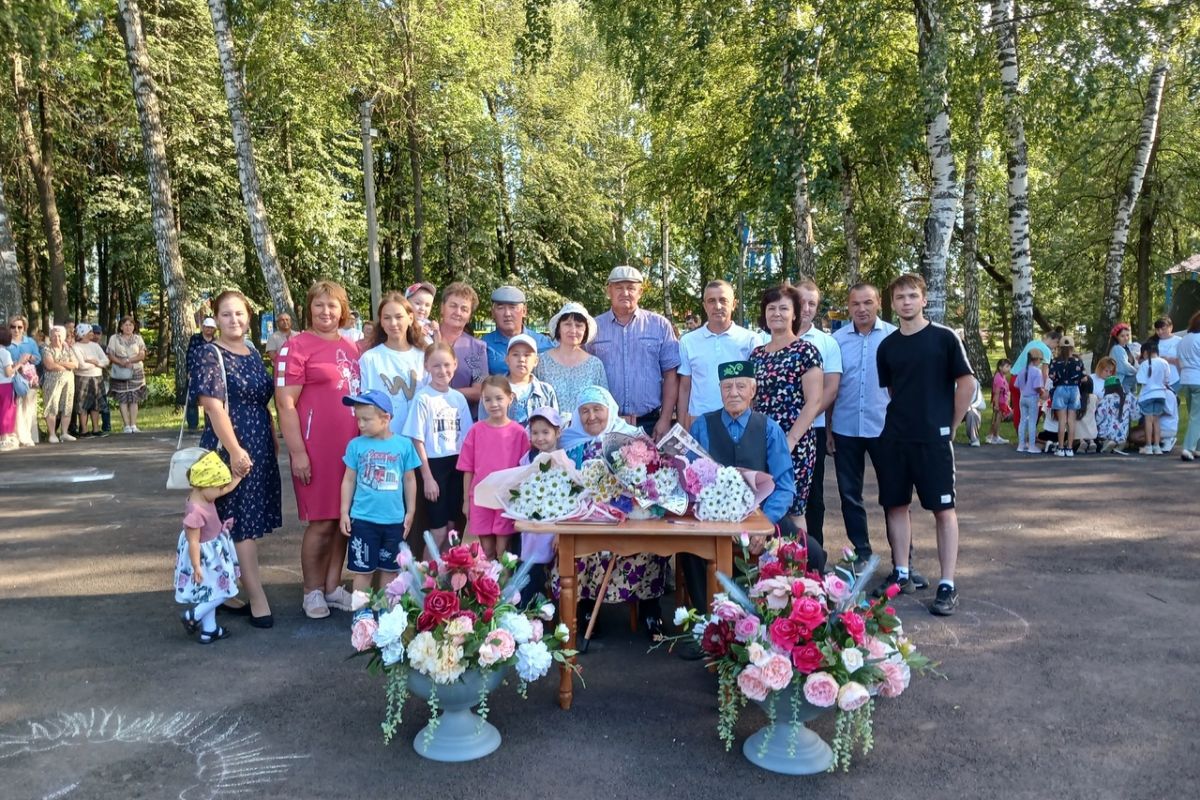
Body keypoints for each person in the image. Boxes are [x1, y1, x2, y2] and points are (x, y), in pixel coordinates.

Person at [686, 361, 811, 647]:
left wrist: (762, 526)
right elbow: (690, 478)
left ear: (753, 390)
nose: (733, 393)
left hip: (762, 516)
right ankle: (703, 630)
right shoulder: (702, 426)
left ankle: (785, 626)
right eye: (727, 387)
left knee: (810, 551)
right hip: (713, 518)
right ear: (719, 390)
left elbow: (785, 486)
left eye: (741, 386)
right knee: (689, 551)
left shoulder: (769, 429)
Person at [875, 274, 975, 616]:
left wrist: (952, 424)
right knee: (896, 505)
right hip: (895, 438)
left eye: (912, 295)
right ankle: (901, 573)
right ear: (893, 303)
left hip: (933, 440)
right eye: (900, 296)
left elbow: (967, 383)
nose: (906, 301)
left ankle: (947, 583)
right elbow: (893, 391)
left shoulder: (944, 338)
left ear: (924, 299)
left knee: (942, 510)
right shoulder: (887, 346)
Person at [190, 289, 282, 627]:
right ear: (217, 318)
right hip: (230, 443)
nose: (234, 320)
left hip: (258, 440)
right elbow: (213, 406)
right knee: (239, 523)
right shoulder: (209, 353)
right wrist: (234, 449)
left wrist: (271, 439)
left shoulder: (253, 352)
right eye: (227, 314)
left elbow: (263, 401)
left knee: (240, 523)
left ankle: (225, 590)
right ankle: (257, 598)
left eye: (240, 314)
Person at [276, 280, 362, 620]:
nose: (326, 312)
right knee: (322, 522)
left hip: (350, 448)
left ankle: (332, 586)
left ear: (343, 310)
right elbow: (285, 404)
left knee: (344, 520)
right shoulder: (295, 347)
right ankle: (311, 590)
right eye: (319, 305)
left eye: (333, 305)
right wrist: (298, 452)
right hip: (316, 448)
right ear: (308, 308)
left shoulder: (352, 347)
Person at [558, 385, 670, 639]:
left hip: (629, 515)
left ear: (610, 409)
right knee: (581, 549)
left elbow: (650, 480)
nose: (591, 416)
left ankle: (650, 611)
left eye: (597, 409)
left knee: (649, 545)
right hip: (586, 516)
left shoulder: (630, 437)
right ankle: (586, 610)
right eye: (584, 411)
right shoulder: (567, 441)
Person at [827, 283, 915, 575]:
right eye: (855, 304)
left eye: (868, 302)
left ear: (879, 303)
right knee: (850, 496)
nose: (862, 309)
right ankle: (861, 554)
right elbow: (831, 388)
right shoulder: (836, 341)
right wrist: (828, 429)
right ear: (848, 306)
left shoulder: (895, 336)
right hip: (845, 427)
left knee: (895, 497)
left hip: (886, 430)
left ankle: (903, 563)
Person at [748, 283, 823, 531]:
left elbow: (814, 401)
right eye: (771, 308)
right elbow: (752, 400)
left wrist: (790, 440)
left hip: (795, 441)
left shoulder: (806, 351)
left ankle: (796, 566)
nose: (776, 313)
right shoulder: (757, 355)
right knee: (760, 504)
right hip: (761, 440)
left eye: (783, 308)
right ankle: (762, 567)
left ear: (795, 313)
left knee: (794, 506)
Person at [339, 390, 420, 619]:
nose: (360, 424)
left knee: (389, 570)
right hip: (363, 520)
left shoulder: (403, 445)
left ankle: (386, 614)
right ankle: (361, 615)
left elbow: (409, 479)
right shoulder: (356, 445)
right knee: (362, 571)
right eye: (358, 419)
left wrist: (411, 510)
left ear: (386, 418)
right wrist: (344, 512)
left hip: (394, 520)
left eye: (366, 419)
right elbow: (349, 479)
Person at [587, 266, 680, 439]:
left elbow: (671, 375)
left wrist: (666, 419)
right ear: (609, 290)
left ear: (640, 292)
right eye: (619, 287)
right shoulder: (593, 328)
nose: (625, 293)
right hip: (605, 425)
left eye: (631, 288)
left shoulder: (659, 325)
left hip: (651, 423)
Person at [404, 342, 473, 549]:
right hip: (434, 466)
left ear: (455, 364)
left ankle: (445, 579)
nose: (442, 371)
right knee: (439, 531)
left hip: (457, 465)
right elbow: (417, 439)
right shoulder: (423, 398)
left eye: (446, 365)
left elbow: (467, 437)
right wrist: (427, 478)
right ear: (426, 366)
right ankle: (424, 580)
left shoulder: (458, 398)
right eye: (436, 366)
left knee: (452, 529)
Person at [792, 280, 842, 546]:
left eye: (812, 303)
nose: (807, 308)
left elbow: (831, 390)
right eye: (801, 302)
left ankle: (814, 556)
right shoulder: (765, 339)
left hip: (814, 429)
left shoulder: (826, 343)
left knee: (812, 496)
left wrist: (800, 419)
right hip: (774, 429)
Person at [174, 451, 243, 645]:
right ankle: (193, 615)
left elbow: (225, 489)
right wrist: (196, 566)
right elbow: (193, 542)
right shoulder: (195, 512)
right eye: (218, 486)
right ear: (204, 484)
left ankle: (209, 630)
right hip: (205, 558)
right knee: (224, 591)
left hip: (212, 551)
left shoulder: (203, 495)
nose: (221, 490)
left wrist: (237, 478)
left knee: (211, 591)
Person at [457, 375, 530, 559]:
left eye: (499, 398)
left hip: (506, 498)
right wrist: (466, 501)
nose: (494, 404)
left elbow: (525, 470)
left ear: (510, 398)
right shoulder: (476, 430)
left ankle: (506, 587)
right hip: (480, 498)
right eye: (488, 399)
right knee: (487, 551)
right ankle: (489, 587)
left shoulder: (519, 432)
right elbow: (468, 469)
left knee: (503, 551)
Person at [677, 280, 763, 431]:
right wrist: (682, 424)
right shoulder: (688, 341)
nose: (717, 306)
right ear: (704, 306)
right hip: (700, 422)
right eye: (711, 301)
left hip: (739, 422)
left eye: (723, 300)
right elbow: (685, 388)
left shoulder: (750, 340)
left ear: (734, 304)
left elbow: (756, 387)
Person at [359, 292, 427, 434]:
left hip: (418, 441)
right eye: (387, 318)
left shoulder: (424, 358)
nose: (393, 323)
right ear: (381, 322)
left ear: (410, 318)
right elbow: (364, 406)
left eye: (398, 317)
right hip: (382, 444)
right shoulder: (370, 359)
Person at [518, 406, 563, 604]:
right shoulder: (527, 459)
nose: (540, 438)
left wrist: (560, 531)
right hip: (532, 526)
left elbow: (568, 501)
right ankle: (526, 612)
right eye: (535, 432)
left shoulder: (563, 461)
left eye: (546, 432)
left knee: (551, 569)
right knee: (529, 568)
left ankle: (548, 610)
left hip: (553, 527)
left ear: (557, 432)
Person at [534, 301, 608, 421]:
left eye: (579, 325)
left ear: (585, 330)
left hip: (586, 434)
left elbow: (603, 404)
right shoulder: (541, 362)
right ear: (559, 328)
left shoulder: (595, 365)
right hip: (548, 434)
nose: (573, 330)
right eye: (567, 324)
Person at [438, 282, 489, 414]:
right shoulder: (424, 338)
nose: (458, 312)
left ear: (469, 316)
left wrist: (445, 393)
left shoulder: (477, 348)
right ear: (442, 308)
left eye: (464, 309)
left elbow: (479, 391)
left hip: (464, 419)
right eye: (453, 306)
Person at [481, 285, 553, 376]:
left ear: (524, 311)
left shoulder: (543, 343)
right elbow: (479, 381)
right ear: (493, 313)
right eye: (500, 308)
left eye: (512, 307)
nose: (507, 314)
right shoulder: (483, 345)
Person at [485, 334, 558, 423]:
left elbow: (554, 425)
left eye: (527, 355)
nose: (521, 359)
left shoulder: (546, 391)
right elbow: (484, 427)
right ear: (507, 359)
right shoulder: (492, 389)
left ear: (535, 361)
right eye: (515, 355)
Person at [1009, 326, 1062, 430]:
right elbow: (1044, 372)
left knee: (1018, 410)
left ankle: (1021, 439)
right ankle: (1029, 436)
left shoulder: (1032, 343)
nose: (1055, 348)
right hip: (1028, 383)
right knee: (1037, 408)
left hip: (1014, 379)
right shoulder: (1046, 351)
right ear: (1054, 340)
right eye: (1056, 345)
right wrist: (1044, 390)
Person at [106, 316, 148, 433]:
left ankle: (133, 424)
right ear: (121, 327)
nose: (128, 327)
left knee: (134, 398)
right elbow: (111, 355)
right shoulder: (114, 338)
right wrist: (121, 362)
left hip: (136, 371)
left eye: (130, 325)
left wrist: (129, 361)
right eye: (126, 325)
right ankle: (126, 425)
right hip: (120, 372)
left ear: (134, 326)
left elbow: (141, 355)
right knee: (123, 398)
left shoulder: (138, 338)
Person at [6, 315, 41, 446]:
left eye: (19, 327)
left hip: (29, 379)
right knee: (16, 408)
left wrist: (31, 357)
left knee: (29, 408)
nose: (16, 330)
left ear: (24, 328)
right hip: (12, 378)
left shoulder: (30, 342)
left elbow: (38, 359)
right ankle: (17, 436)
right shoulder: (6, 342)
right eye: (13, 327)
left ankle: (28, 435)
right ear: (9, 328)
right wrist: (15, 363)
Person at [1048, 335, 1084, 457]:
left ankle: (1061, 447)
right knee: (1071, 421)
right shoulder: (1078, 361)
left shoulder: (1055, 361)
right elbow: (1083, 377)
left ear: (1060, 347)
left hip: (1060, 389)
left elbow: (1051, 376)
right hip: (1074, 390)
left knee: (1062, 420)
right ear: (1072, 347)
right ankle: (1070, 448)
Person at [71, 323, 110, 437]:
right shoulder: (76, 347)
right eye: (90, 332)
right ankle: (84, 430)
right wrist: (96, 364)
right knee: (82, 404)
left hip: (97, 377)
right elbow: (81, 365)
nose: (92, 334)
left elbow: (106, 361)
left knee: (96, 404)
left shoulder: (95, 346)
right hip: (83, 378)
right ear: (83, 334)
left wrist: (95, 362)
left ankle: (96, 429)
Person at [40, 326, 77, 442]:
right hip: (52, 382)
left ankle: (64, 433)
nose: (57, 338)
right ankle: (52, 434)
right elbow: (50, 365)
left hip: (69, 381)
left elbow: (75, 364)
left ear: (64, 337)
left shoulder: (68, 349)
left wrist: (60, 363)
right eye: (54, 335)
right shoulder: (46, 349)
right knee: (52, 406)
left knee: (67, 405)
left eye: (60, 335)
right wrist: (67, 365)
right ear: (50, 337)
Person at [1136, 338, 1170, 455]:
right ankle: (1157, 446)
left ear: (1145, 353)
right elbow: (1167, 380)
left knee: (1148, 420)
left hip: (1148, 395)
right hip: (1161, 394)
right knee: (1156, 421)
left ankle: (1148, 446)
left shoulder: (1145, 364)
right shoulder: (1164, 362)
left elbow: (1141, 380)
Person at [185, 318, 218, 433]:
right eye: (207, 327)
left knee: (210, 398)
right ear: (203, 327)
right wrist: (189, 370)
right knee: (192, 399)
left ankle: (209, 425)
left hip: (211, 374)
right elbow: (189, 355)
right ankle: (192, 425)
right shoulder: (195, 339)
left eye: (211, 328)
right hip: (196, 372)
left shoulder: (216, 341)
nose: (209, 330)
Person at [1014, 349, 1047, 453]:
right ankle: (1031, 446)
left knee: (1022, 421)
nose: (1040, 362)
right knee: (1032, 422)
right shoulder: (1037, 371)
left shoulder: (1022, 370)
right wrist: (1043, 393)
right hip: (1032, 398)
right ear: (1036, 359)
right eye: (1040, 360)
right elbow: (1037, 387)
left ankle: (1021, 445)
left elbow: (1016, 385)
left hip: (1022, 397)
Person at [1178, 311, 1200, 461]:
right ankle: (1188, 447)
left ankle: (1197, 448)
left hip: (1185, 379)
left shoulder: (1184, 339)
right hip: (1198, 378)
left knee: (1194, 414)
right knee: (1196, 417)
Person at [1097, 376, 1134, 453]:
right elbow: (1136, 415)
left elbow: (1099, 417)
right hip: (1123, 433)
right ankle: (1121, 443)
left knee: (1101, 428)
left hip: (1107, 432)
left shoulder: (1107, 398)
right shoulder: (1129, 397)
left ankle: (1107, 442)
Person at [1152, 316, 1182, 392]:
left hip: (1175, 378)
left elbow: (1183, 359)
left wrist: (1168, 360)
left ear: (1170, 327)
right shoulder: (1153, 342)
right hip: (1157, 379)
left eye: (1163, 329)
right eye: (1157, 329)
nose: (1160, 332)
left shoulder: (1179, 341)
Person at [1106, 323, 1138, 393]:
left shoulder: (1126, 348)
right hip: (1122, 381)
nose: (1126, 338)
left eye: (1127, 335)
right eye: (1122, 336)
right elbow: (1124, 367)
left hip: (1129, 382)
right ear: (1117, 337)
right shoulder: (1117, 349)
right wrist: (1137, 371)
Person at [987, 359, 1012, 444]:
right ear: (1000, 367)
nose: (1009, 368)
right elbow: (997, 393)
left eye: (1009, 366)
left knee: (996, 419)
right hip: (1000, 402)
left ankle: (990, 435)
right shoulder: (999, 378)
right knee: (997, 419)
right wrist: (996, 405)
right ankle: (995, 436)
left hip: (1002, 402)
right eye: (1007, 366)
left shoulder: (1002, 376)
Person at [1075, 376, 1099, 453]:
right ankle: (1091, 442)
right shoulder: (1094, 397)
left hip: (1079, 430)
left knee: (1078, 425)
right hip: (1091, 429)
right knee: (1090, 432)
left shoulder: (1077, 397)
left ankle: (1082, 442)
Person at [0, 326, 15, 450]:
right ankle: (4, 439)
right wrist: (19, 364)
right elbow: (8, 373)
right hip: (4, 385)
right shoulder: (5, 353)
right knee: (5, 411)